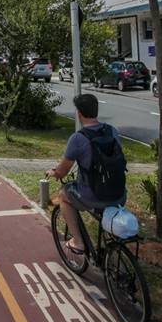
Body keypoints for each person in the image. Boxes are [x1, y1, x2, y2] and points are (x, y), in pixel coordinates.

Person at [45, 93, 127, 259]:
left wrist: (53, 172)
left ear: (79, 113)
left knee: (63, 195)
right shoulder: (112, 131)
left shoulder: (78, 138)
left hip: (93, 195)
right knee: (105, 203)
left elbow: (63, 171)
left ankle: (78, 241)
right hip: (119, 194)